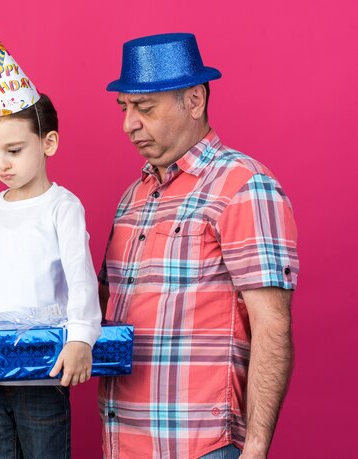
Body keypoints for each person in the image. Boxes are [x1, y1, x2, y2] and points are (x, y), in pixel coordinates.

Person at [98, 33, 299, 459]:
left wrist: (256, 450)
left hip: (200, 447)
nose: (128, 124)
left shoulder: (243, 186)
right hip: (124, 443)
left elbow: (272, 325)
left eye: (145, 108)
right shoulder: (132, 198)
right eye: (125, 108)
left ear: (194, 100)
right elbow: (98, 309)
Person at [0, 23, 102, 459]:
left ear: (47, 142)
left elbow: (80, 278)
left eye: (14, 150)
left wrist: (81, 338)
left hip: (42, 371)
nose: (3, 164)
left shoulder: (62, 207)